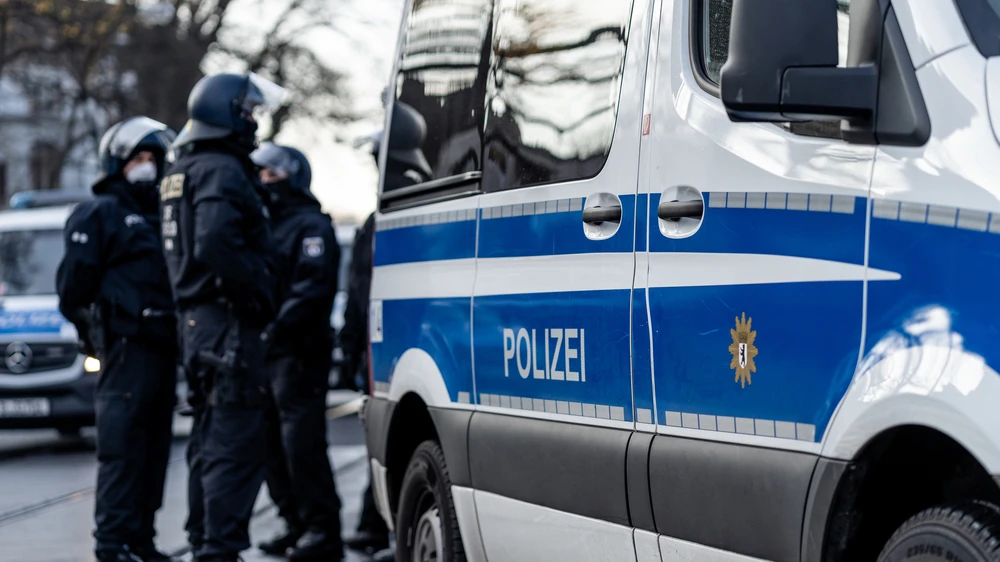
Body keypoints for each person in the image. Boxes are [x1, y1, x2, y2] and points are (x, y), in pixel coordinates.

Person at [160, 72, 284, 562]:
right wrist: (255, 295)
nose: (253, 120)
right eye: (247, 110)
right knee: (235, 444)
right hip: (227, 324)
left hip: (198, 325)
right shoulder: (220, 169)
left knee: (210, 439)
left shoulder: (183, 170)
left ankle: (204, 541)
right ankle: (218, 549)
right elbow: (214, 242)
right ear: (225, 111)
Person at [56, 116, 179, 562]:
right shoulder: (99, 212)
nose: (146, 167)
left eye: (152, 158)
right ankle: (112, 544)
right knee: (122, 448)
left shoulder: (161, 214)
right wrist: (94, 334)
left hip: (162, 349)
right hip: (125, 348)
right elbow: (73, 288)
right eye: (138, 159)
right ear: (118, 162)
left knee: (154, 450)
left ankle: (141, 540)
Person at [343, 102, 433, 560]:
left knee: (389, 436)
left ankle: (377, 528)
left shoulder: (401, 207)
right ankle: (375, 528)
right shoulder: (383, 211)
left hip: (398, 343)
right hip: (381, 343)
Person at [249, 142, 345, 560]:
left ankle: (322, 530)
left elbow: (312, 289)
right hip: (270, 352)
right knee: (270, 443)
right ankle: (295, 523)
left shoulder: (311, 227)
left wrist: (276, 327)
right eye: (262, 175)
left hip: (300, 353)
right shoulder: (266, 226)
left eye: (272, 174)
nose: (265, 182)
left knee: (300, 444)